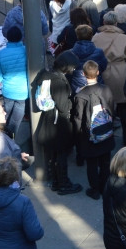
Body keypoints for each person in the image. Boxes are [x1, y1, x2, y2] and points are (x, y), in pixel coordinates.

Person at [31, 51, 82, 195]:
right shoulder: (59, 81)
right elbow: (63, 106)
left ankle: (56, 182)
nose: (73, 70)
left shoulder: (46, 75)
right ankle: (64, 184)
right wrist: (74, 100)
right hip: (58, 123)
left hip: (49, 120)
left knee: (53, 156)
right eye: (72, 67)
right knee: (61, 156)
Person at [71, 60, 116, 200]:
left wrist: (78, 136)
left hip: (88, 135)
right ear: (98, 72)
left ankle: (95, 189)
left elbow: (78, 118)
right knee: (105, 162)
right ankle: (104, 187)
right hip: (106, 131)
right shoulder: (106, 89)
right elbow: (112, 108)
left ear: (83, 74)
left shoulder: (80, 95)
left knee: (92, 164)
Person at [94, 12, 126, 144]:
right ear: (116, 23)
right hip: (121, 72)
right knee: (123, 104)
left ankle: (108, 134)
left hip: (103, 72)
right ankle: (125, 134)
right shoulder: (124, 38)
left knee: (105, 106)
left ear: (104, 22)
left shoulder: (96, 37)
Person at [0, 26, 29, 141]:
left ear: (7, 38)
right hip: (23, 92)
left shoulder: (1, 54)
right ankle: (11, 137)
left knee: (6, 114)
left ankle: (5, 135)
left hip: (8, 91)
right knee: (16, 118)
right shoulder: (27, 51)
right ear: (21, 37)